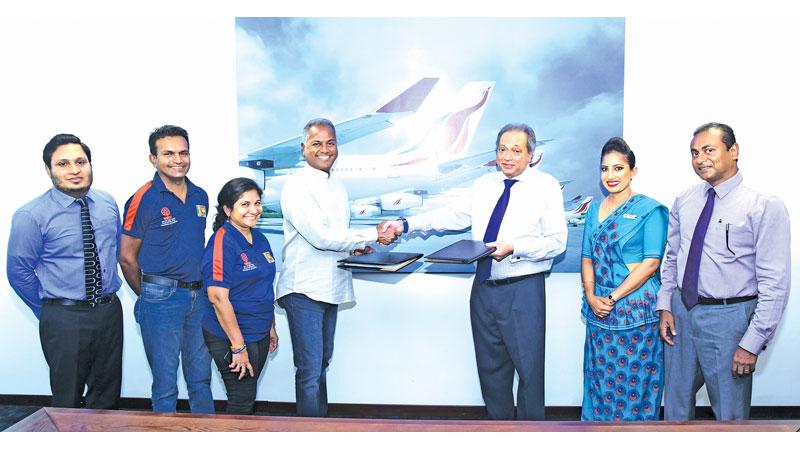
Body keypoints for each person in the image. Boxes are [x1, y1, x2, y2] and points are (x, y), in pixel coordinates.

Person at [383, 123, 567, 420]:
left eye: (516, 151)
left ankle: (532, 438)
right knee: (491, 372)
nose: (507, 157)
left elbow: (558, 242)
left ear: (531, 154)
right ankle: (498, 434)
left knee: (530, 373)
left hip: (523, 290)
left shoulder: (545, 186)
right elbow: (451, 216)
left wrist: (514, 247)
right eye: (502, 150)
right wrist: (406, 224)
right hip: (483, 289)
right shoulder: (484, 186)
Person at [657, 122, 791, 420]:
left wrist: (752, 342)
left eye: (708, 150)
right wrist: (665, 304)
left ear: (733, 151)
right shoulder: (685, 200)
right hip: (682, 314)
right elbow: (673, 258)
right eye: (694, 153)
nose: (700, 159)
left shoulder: (763, 206)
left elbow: (775, 284)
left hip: (730, 320)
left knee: (730, 416)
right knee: (675, 409)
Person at [276, 118, 396, 417]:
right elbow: (321, 237)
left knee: (321, 364)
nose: (325, 149)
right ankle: (310, 434)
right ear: (303, 148)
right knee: (309, 369)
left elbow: (337, 235)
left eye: (330, 143)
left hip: (331, 286)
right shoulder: (297, 187)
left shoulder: (338, 185)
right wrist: (371, 235)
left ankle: (321, 429)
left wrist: (358, 245)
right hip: (304, 289)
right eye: (317, 143)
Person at [7, 133, 123, 409]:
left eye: (80, 162)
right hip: (64, 317)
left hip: (108, 312)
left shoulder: (107, 204)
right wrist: (51, 309)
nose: (74, 170)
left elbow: (115, 250)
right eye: (63, 164)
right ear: (48, 170)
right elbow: (19, 272)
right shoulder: (31, 215)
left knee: (107, 395)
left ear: (90, 165)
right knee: (67, 400)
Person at [119, 125, 214, 414]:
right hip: (161, 299)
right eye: (168, 153)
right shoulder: (142, 198)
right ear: (153, 159)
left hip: (199, 299)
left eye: (183, 152)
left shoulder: (200, 195)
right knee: (165, 384)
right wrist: (149, 294)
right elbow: (126, 257)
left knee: (200, 380)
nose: (177, 159)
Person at [579, 137, 668, 421]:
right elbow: (587, 257)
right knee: (600, 383)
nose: (611, 176)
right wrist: (592, 297)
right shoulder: (594, 209)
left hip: (635, 312)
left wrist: (612, 297)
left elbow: (651, 263)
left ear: (633, 171)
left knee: (636, 385)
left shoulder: (650, 210)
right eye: (605, 169)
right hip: (599, 314)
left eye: (618, 168)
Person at [201, 177, 279, 415]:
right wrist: (237, 347)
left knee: (247, 394)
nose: (254, 210)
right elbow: (217, 297)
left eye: (257, 203)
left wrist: (271, 326)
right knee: (241, 400)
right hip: (231, 336)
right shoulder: (222, 242)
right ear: (227, 209)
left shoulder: (260, 238)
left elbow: (264, 285)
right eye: (245, 204)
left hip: (258, 330)